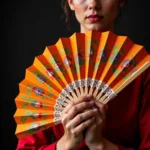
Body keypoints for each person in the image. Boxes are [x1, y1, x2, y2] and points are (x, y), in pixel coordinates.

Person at [16, 0, 150, 150]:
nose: (93, 4)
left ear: (121, 1)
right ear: (71, 2)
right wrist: (66, 143)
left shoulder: (142, 69)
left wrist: (100, 145)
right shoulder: (47, 71)